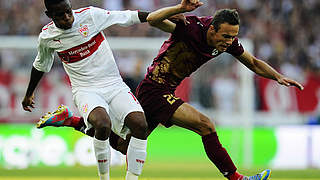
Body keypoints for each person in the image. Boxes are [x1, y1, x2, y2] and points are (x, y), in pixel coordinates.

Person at [36, 0, 304, 180]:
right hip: (155, 89)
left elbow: (254, 62)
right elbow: (153, 20)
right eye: (225, 36)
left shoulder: (227, 42)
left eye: (233, 37)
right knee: (206, 125)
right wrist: (180, 7)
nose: (229, 42)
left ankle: (72, 121)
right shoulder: (190, 27)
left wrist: (278, 76)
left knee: (125, 146)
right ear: (212, 29)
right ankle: (237, 178)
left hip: (164, 90)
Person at [21, 0, 154, 180]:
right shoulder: (47, 37)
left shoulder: (90, 15)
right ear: (49, 15)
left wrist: (170, 13)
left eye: (69, 12)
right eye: (60, 15)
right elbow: (41, 65)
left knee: (140, 125)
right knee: (103, 124)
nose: (67, 18)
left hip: (114, 84)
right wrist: (29, 93)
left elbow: (130, 16)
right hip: (85, 90)